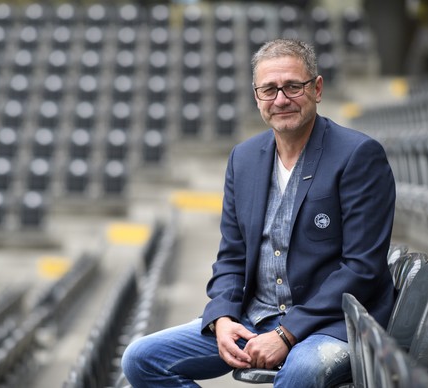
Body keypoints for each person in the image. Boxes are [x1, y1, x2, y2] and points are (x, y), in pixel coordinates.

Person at [121, 38, 396, 387]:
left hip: (331, 325)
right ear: (257, 97)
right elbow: (231, 256)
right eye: (269, 90)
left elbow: (362, 268)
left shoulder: (359, 155)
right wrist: (221, 316)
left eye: (293, 87)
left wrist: (286, 334)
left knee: (301, 372)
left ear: (318, 88)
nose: (281, 99)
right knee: (142, 359)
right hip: (254, 317)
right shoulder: (244, 158)